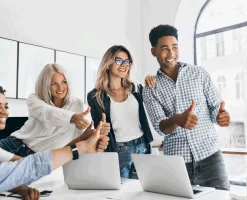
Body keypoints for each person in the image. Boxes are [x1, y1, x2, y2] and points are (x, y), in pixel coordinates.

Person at [143, 24, 231, 190]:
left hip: (210, 157)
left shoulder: (199, 73)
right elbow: (160, 127)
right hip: (177, 163)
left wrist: (221, 117)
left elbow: (215, 108)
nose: (171, 54)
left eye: (174, 47)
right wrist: (177, 119)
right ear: (153, 51)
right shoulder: (150, 88)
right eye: (164, 49)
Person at [0, 86, 109, 196]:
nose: (4, 112)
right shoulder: (36, 100)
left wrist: (82, 140)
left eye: (6, 106)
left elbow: (27, 167)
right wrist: (82, 146)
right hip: (16, 145)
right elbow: (31, 167)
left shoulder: (76, 104)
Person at [87, 45, 153, 179]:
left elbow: (156, 100)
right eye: (118, 60)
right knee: (122, 192)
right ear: (108, 63)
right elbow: (98, 129)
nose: (124, 65)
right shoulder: (95, 96)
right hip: (118, 149)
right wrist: (101, 131)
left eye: (127, 61)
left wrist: (153, 80)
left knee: (144, 189)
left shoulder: (136, 88)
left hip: (142, 146)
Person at [0, 64, 92, 158]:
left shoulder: (77, 104)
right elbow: (48, 113)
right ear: (46, 85)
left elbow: (77, 138)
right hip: (18, 146)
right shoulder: (34, 99)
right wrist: (72, 118)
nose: (61, 88)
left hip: (44, 158)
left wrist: (88, 133)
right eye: (54, 84)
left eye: (63, 82)